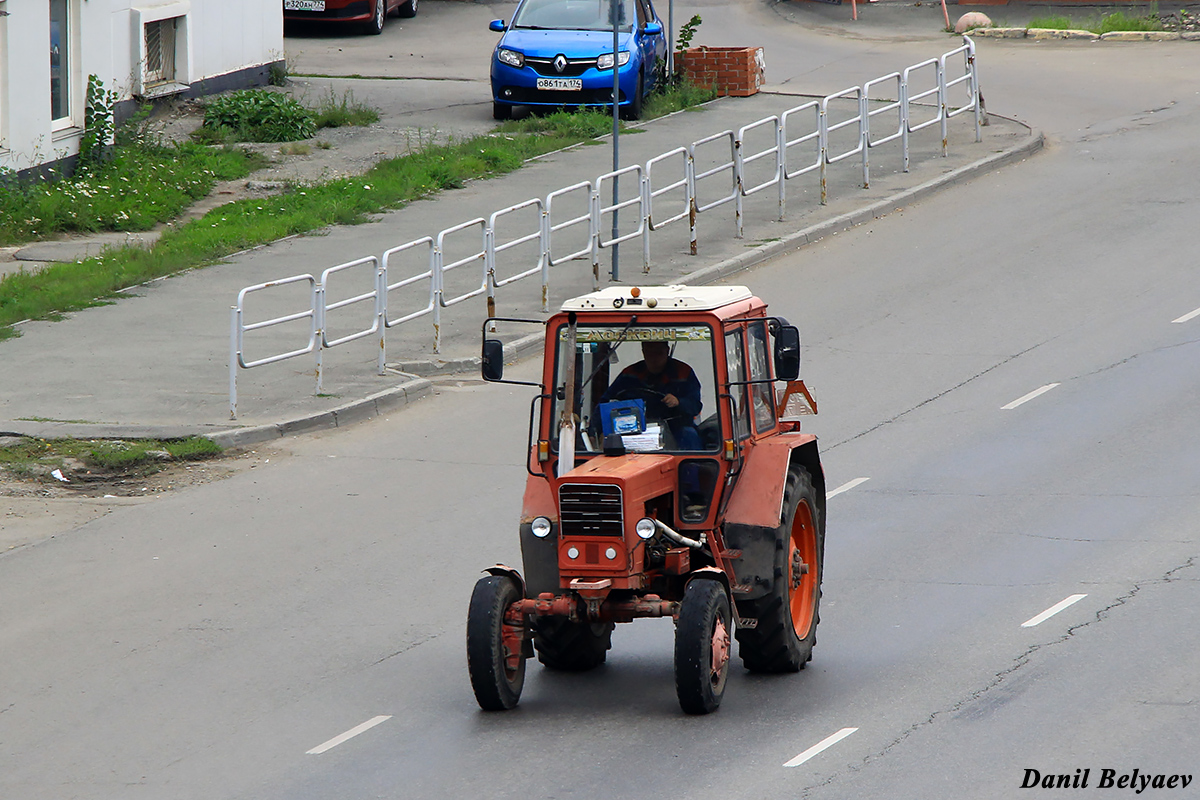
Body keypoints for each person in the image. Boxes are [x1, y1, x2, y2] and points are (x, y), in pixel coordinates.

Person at [602, 340, 703, 451]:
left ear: (667, 351)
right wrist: (594, 430)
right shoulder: (629, 374)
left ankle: (691, 467)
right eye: (649, 353)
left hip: (676, 425)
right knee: (610, 440)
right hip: (634, 426)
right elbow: (605, 401)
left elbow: (696, 405)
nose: (654, 359)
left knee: (690, 435)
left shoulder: (683, 372)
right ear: (643, 352)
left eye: (658, 353)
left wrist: (678, 402)